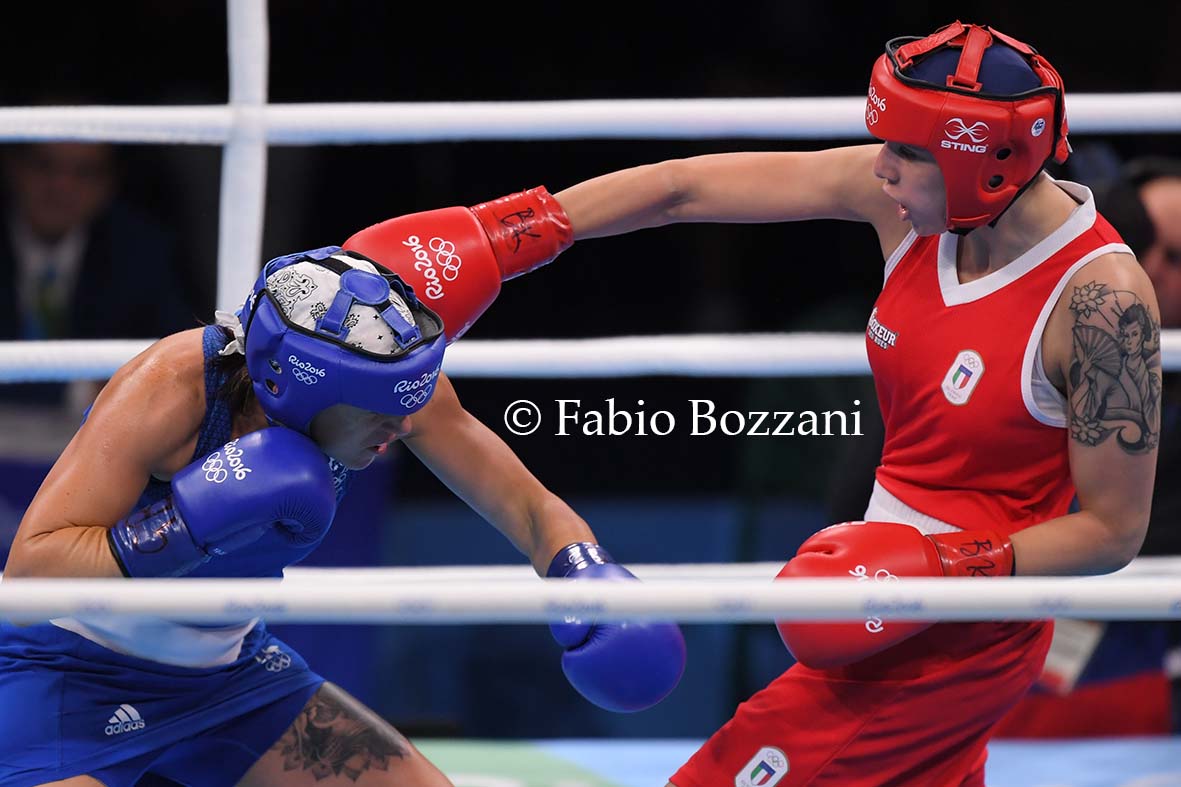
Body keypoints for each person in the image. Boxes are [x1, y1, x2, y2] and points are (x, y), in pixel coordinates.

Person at [374, 20, 1159, 786]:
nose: (880, 168)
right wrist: (510, 234)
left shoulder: (1100, 304)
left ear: (987, 164)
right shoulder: (912, 202)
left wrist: (947, 563)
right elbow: (684, 190)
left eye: (907, 153)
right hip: (877, 590)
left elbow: (1112, 530)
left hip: (968, 630)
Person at [0, 219, 687, 785]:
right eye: (380, 413)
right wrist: (181, 524)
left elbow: (531, 508)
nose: (402, 425)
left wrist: (584, 570)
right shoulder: (169, 389)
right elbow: (31, 571)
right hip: (64, 672)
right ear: (299, 390)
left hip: (230, 680)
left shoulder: (391, 387)